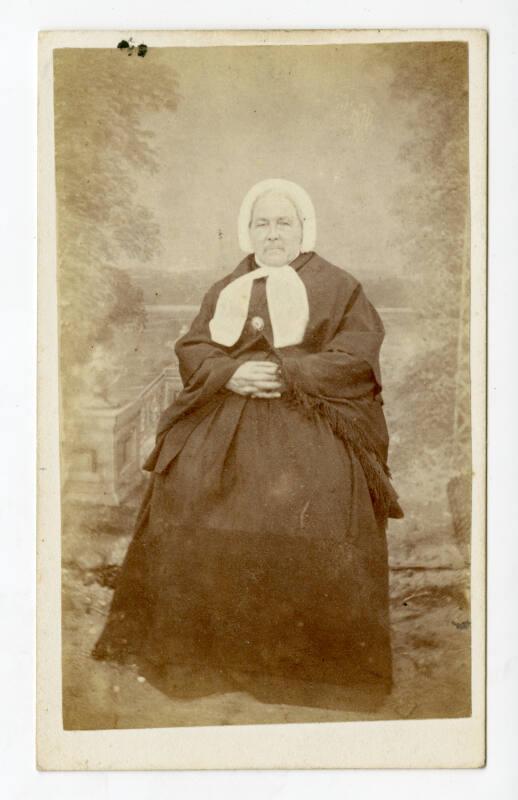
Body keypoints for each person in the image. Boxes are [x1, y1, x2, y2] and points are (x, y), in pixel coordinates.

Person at [93, 178, 403, 703]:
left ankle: (306, 670)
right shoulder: (228, 287)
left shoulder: (339, 286)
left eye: (283, 223)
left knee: (323, 495)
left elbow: (356, 356)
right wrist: (230, 374)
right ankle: (201, 654)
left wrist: (290, 372)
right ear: (248, 229)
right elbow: (194, 346)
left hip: (310, 416)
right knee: (186, 485)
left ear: (303, 228)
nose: (272, 233)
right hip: (229, 413)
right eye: (262, 223)